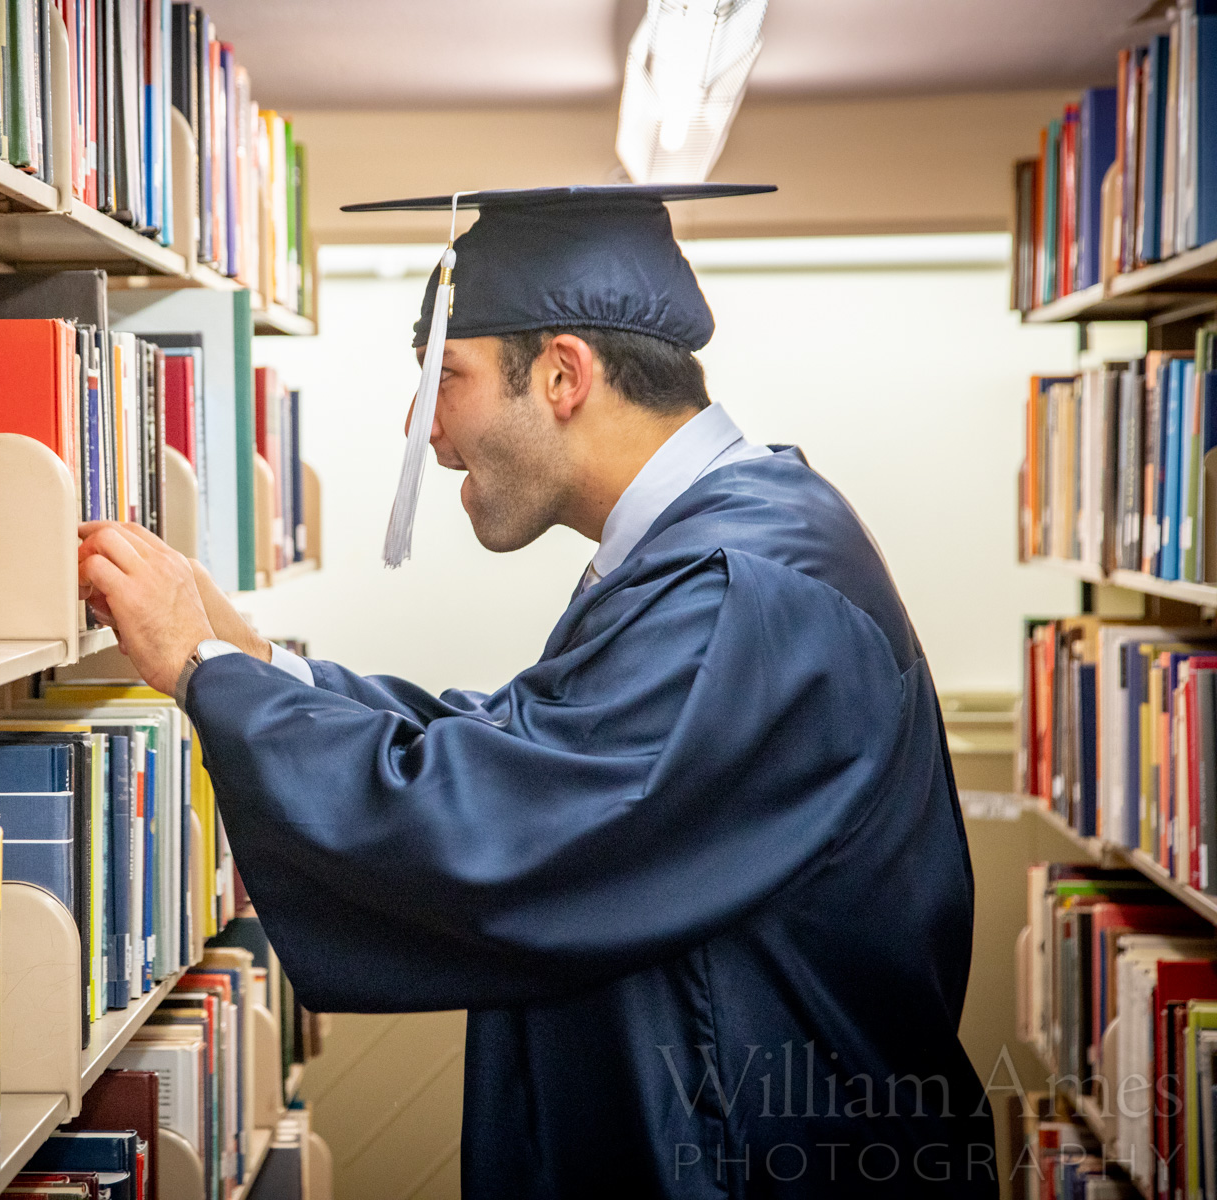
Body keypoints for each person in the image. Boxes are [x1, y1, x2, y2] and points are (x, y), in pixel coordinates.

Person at [77, 185, 994, 1198]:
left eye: (447, 378)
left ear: (562, 374)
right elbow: (529, 746)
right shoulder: (723, 544)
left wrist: (203, 677)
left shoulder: (740, 591)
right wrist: (251, 659)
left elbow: (503, 832)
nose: (425, 430)